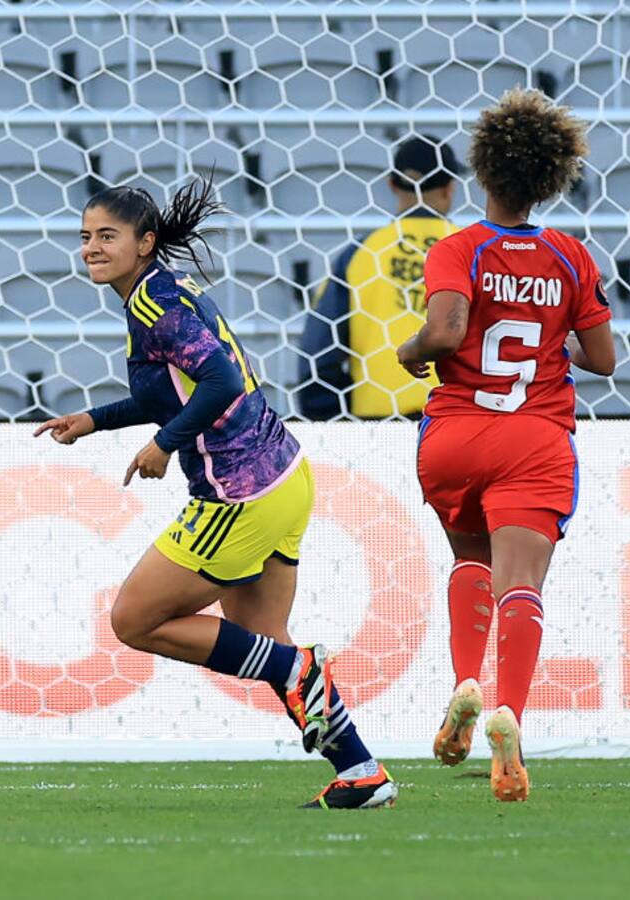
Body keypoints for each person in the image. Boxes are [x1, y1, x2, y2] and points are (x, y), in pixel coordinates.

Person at [34, 180, 396, 810]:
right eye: (86, 236)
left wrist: (165, 444)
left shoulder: (154, 303)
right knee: (263, 639)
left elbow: (221, 381)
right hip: (283, 476)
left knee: (133, 620)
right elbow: (169, 391)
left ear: (145, 242)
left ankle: (298, 671)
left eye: (107, 236)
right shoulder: (161, 292)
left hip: (239, 493)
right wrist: (93, 420)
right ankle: (361, 771)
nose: (91, 247)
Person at [396, 89, 617, 802]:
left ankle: (465, 679)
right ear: (551, 179)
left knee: (470, 560)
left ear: (482, 171)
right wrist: (551, 339)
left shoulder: (458, 248)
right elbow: (604, 359)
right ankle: (509, 714)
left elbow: (447, 331)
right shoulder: (569, 256)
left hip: (456, 435)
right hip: (535, 438)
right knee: (522, 584)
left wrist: (410, 351)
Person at [297, 136, 461, 420]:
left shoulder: (361, 253)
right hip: (455, 417)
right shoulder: (470, 249)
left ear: (392, 185)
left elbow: (319, 351)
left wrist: (332, 420)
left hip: (377, 424)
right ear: (449, 188)